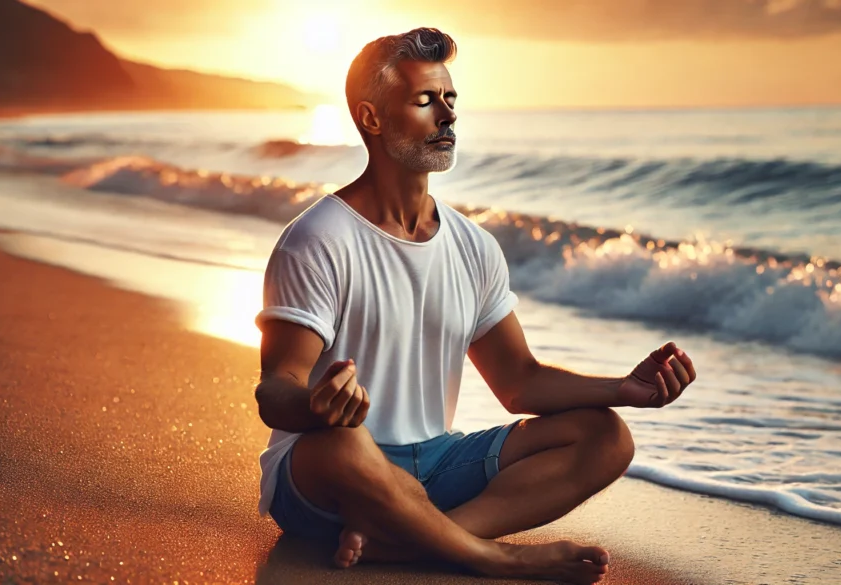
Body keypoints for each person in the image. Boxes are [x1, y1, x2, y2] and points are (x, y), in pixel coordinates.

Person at [253, 27, 697, 585]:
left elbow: (520, 382)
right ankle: (488, 555)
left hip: (436, 464)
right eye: (425, 101)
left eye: (451, 99)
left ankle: (413, 539)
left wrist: (622, 389)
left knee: (607, 437)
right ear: (371, 118)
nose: (448, 115)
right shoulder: (318, 238)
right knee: (341, 445)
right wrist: (316, 406)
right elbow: (275, 388)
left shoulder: (473, 246)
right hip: (331, 477)